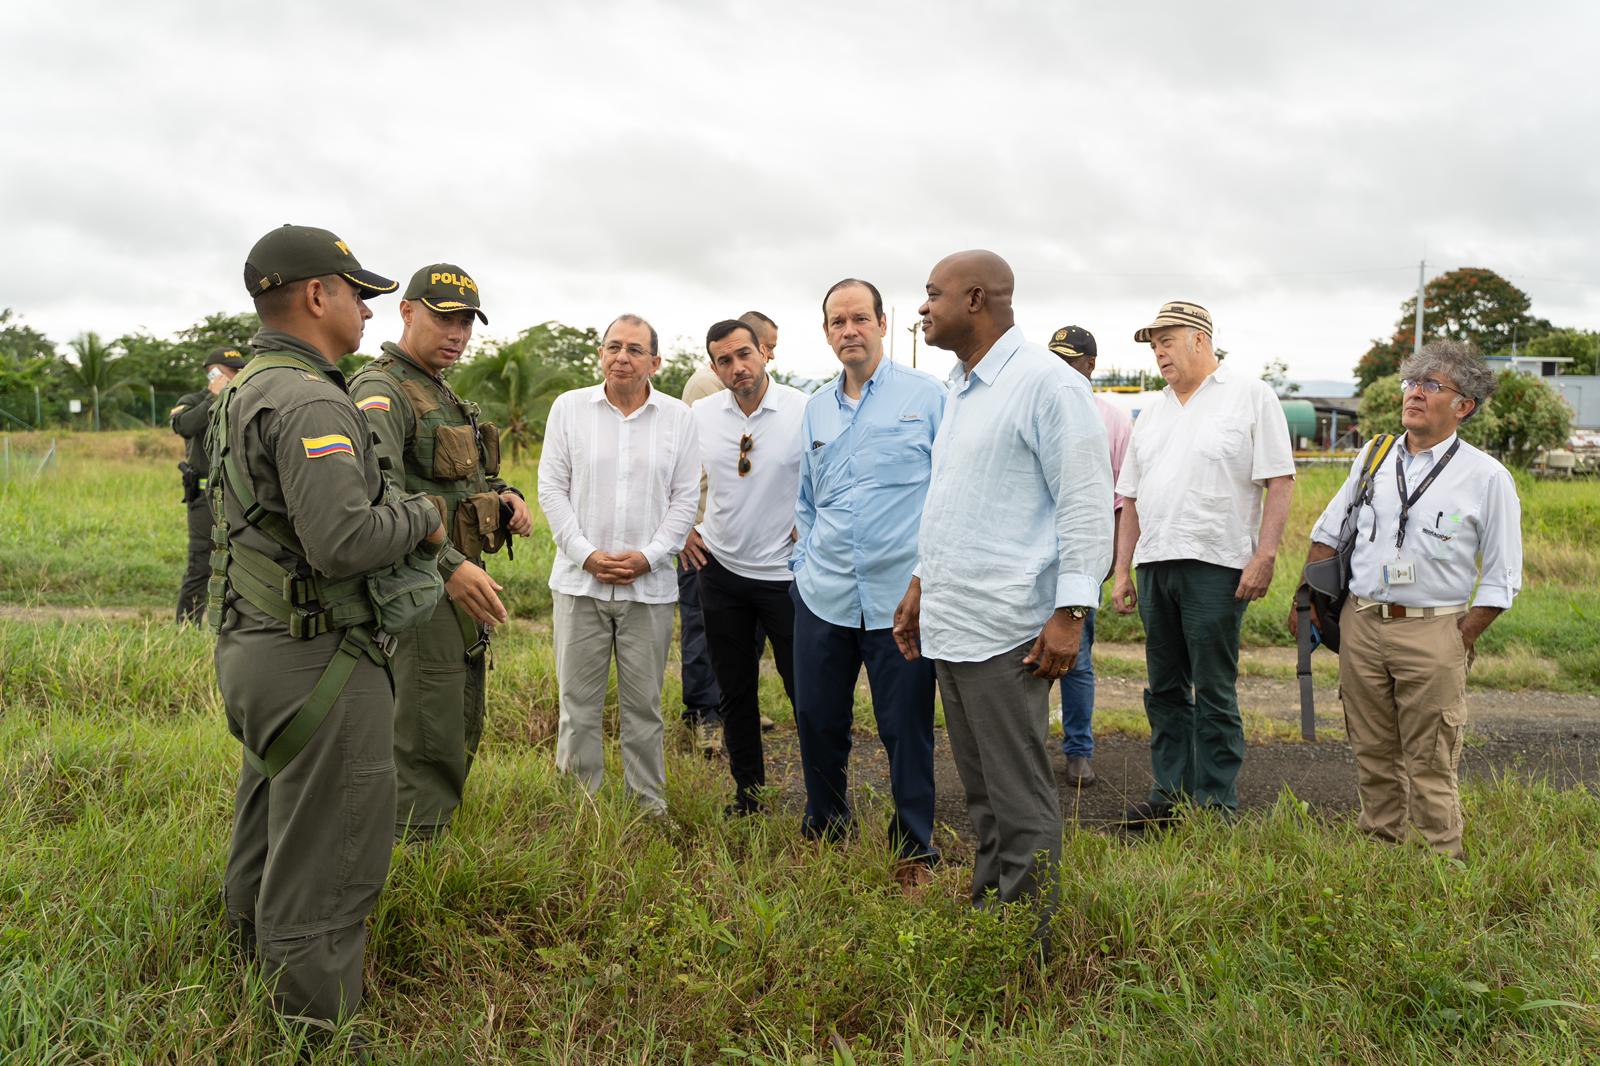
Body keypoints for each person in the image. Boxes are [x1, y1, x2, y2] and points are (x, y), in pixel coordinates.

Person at [215, 224, 445, 1034]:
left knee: (272, 829)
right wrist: (424, 514)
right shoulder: (313, 397)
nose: (369, 314)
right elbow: (342, 541)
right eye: (359, 295)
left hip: (257, 645)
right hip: (317, 659)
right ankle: (312, 1035)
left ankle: (246, 990)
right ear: (318, 295)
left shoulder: (248, 385)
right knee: (332, 864)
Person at [893, 250, 1112, 953]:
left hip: (1009, 628)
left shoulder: (1047, 385)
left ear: (976, 299)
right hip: (955, 620)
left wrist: (1070, 613)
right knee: (982, 792)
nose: (924, 308)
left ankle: (1029, 945)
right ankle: (995, 917)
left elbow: (1084, 506)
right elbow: (957, 501)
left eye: (933, 295)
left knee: (1018, 797)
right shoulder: (961, 385)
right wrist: (922, 584)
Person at [1291, 341, 1521, 859]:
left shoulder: (1487, 478)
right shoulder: (1374, 454)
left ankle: (1441, 860)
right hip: (1362, 624)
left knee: (1432, 757)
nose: (1414, 393)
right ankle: (1381, 849)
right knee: (1371, 749)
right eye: (1411, 383)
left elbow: (1503, 577)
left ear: (1464, 406)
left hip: (1434, 629)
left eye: (1431, 385)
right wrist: (1306, 599)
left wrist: (1457, 637)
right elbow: (1328, 532)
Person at [349, 264, 531, 841]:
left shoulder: (438, 388)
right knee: (428, 724)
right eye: (444, 318)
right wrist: (449, 567)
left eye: (467, 323)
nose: (457, 334)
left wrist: (504, 497)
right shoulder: (383, 391)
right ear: (407, 312)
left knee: (453, 710)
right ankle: (414, 850)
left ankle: (430, 831)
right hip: (420, 584)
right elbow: (378, 490)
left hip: (454, 586)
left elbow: (457, 480)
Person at [1110, 301, 1295, 825]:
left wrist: (1265, 555)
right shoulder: (1154, 410)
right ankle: (1169, 795)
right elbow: (1131, 498)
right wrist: (1123, 571)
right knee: (1163, 687)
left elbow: (1279, 480)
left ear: (1199, 338)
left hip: (1216, 564)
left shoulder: (1250, 395)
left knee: (1213, 686)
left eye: (1166, 340)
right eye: (1152, 345)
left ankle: (1216, 803)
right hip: (1155, 565)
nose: (1158, 353)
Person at [792, 278, 945, 889]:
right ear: (827, 332)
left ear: (884, 323)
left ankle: (914, 847)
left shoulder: (927, 398)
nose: (848, 330)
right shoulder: (816, 409)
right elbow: (806, 501)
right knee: (816, 718)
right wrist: (802, 570)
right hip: (823, 595)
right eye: (837, 321)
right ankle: (826, 826)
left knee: (905, 726)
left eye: (859, 318)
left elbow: (946, 496)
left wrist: (923, 577)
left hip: (899, 600)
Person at [537, 314, 699, 814]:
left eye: (634, 349)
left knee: (644, 709)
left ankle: (647, 807)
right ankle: (581, 810)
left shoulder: (678, 418)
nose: (621, 358)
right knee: (578, 707)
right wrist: (586, 554)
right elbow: (551, 488)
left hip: (647, 589)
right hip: (579, 585)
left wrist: (649, 558)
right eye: (613, 347)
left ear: (655, 361)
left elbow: (685, 499)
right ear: (601, 355)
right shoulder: (569, 409)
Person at [681, 318, 807, 815]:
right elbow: (676, 478)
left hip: (787, 576)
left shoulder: (803, 409)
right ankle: (748, 796)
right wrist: (684, 530)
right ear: (714, 367)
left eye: (744, 355)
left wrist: (811, 527)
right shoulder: (701, 414)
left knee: (806, 693)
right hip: (721, 571)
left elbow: (828, 475)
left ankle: (825, 801)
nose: (738, 368)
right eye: (725, 361)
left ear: (764, 353)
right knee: (735, 693)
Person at [675, 310, 780, 750]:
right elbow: (683, 469)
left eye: (765, 351)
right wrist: (687, 527)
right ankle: (704, 714)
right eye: (767, 345)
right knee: (704, 631)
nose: (768, 356)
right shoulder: (706, 391)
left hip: (748, 542)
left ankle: (736, 707)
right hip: (705, 535)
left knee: (744, 637)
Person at [1045, 326, 1131, 788]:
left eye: (1069, 360)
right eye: (1053, 358)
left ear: (1090, 366)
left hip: (1081, 561)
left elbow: (1122, 502)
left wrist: (1114, 568)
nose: (1059, 369)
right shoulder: (1038, 408)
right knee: (1024, 657)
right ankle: (1027, 752)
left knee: (1076, 658)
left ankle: (1079, 750)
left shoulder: (1112, 420)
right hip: (1033, 559)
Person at [170, 346, 244, 624]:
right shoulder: (193, 401)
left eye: (240, 369)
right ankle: (186, 624)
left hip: (235, 495)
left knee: (239, 561)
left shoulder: (241, 398)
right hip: (204, 496)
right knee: (201, 563)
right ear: (213, 372)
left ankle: (230, 623)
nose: (238, 374)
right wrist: (213, 396)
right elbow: (184, 426)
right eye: (232, 371)